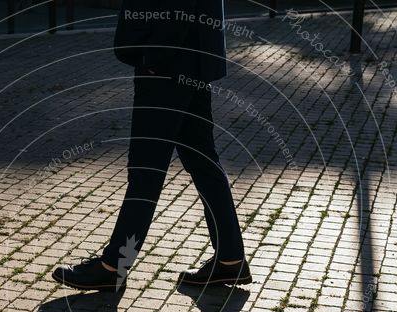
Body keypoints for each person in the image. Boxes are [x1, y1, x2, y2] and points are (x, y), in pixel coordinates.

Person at [52, 0, 251, 291]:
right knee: (202, 161)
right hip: (189, 58)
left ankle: (113, 266)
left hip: (169, 63)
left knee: (147, 167)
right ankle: (230, 260)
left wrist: (155, 56)